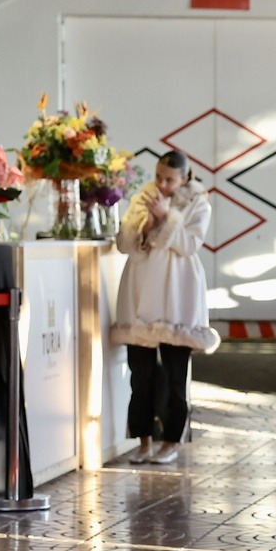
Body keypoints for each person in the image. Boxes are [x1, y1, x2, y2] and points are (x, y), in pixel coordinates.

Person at [110, 151, 220, 465]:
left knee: (175, 374)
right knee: (140, 375)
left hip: (177, 288)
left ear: (184, 178)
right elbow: (124, 243)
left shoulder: (198, 203)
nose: (162, 184)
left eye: (170, 179)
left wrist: (167, 218)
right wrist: (145, 225)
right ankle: (143, 439)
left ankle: (171, 441)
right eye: (159, 176)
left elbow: (189, 244)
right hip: (140, 288)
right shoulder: (144, 197)